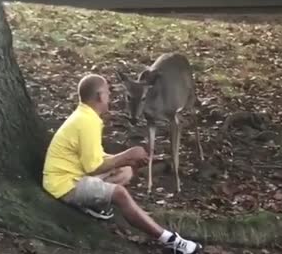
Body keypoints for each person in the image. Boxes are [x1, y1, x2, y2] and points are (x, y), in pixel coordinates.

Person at [42, 74, 202, 254]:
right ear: (100, 96)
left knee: (126, 171)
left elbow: (96, 157)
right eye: (108, 92)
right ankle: (170, 240)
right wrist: (128, 153)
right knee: (120, 194)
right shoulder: (87, 122)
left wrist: (128, 160)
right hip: (65, 185)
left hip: (73, 175)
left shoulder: (85, 115)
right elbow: (93, 167)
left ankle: (93, 202)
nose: (110, 96)